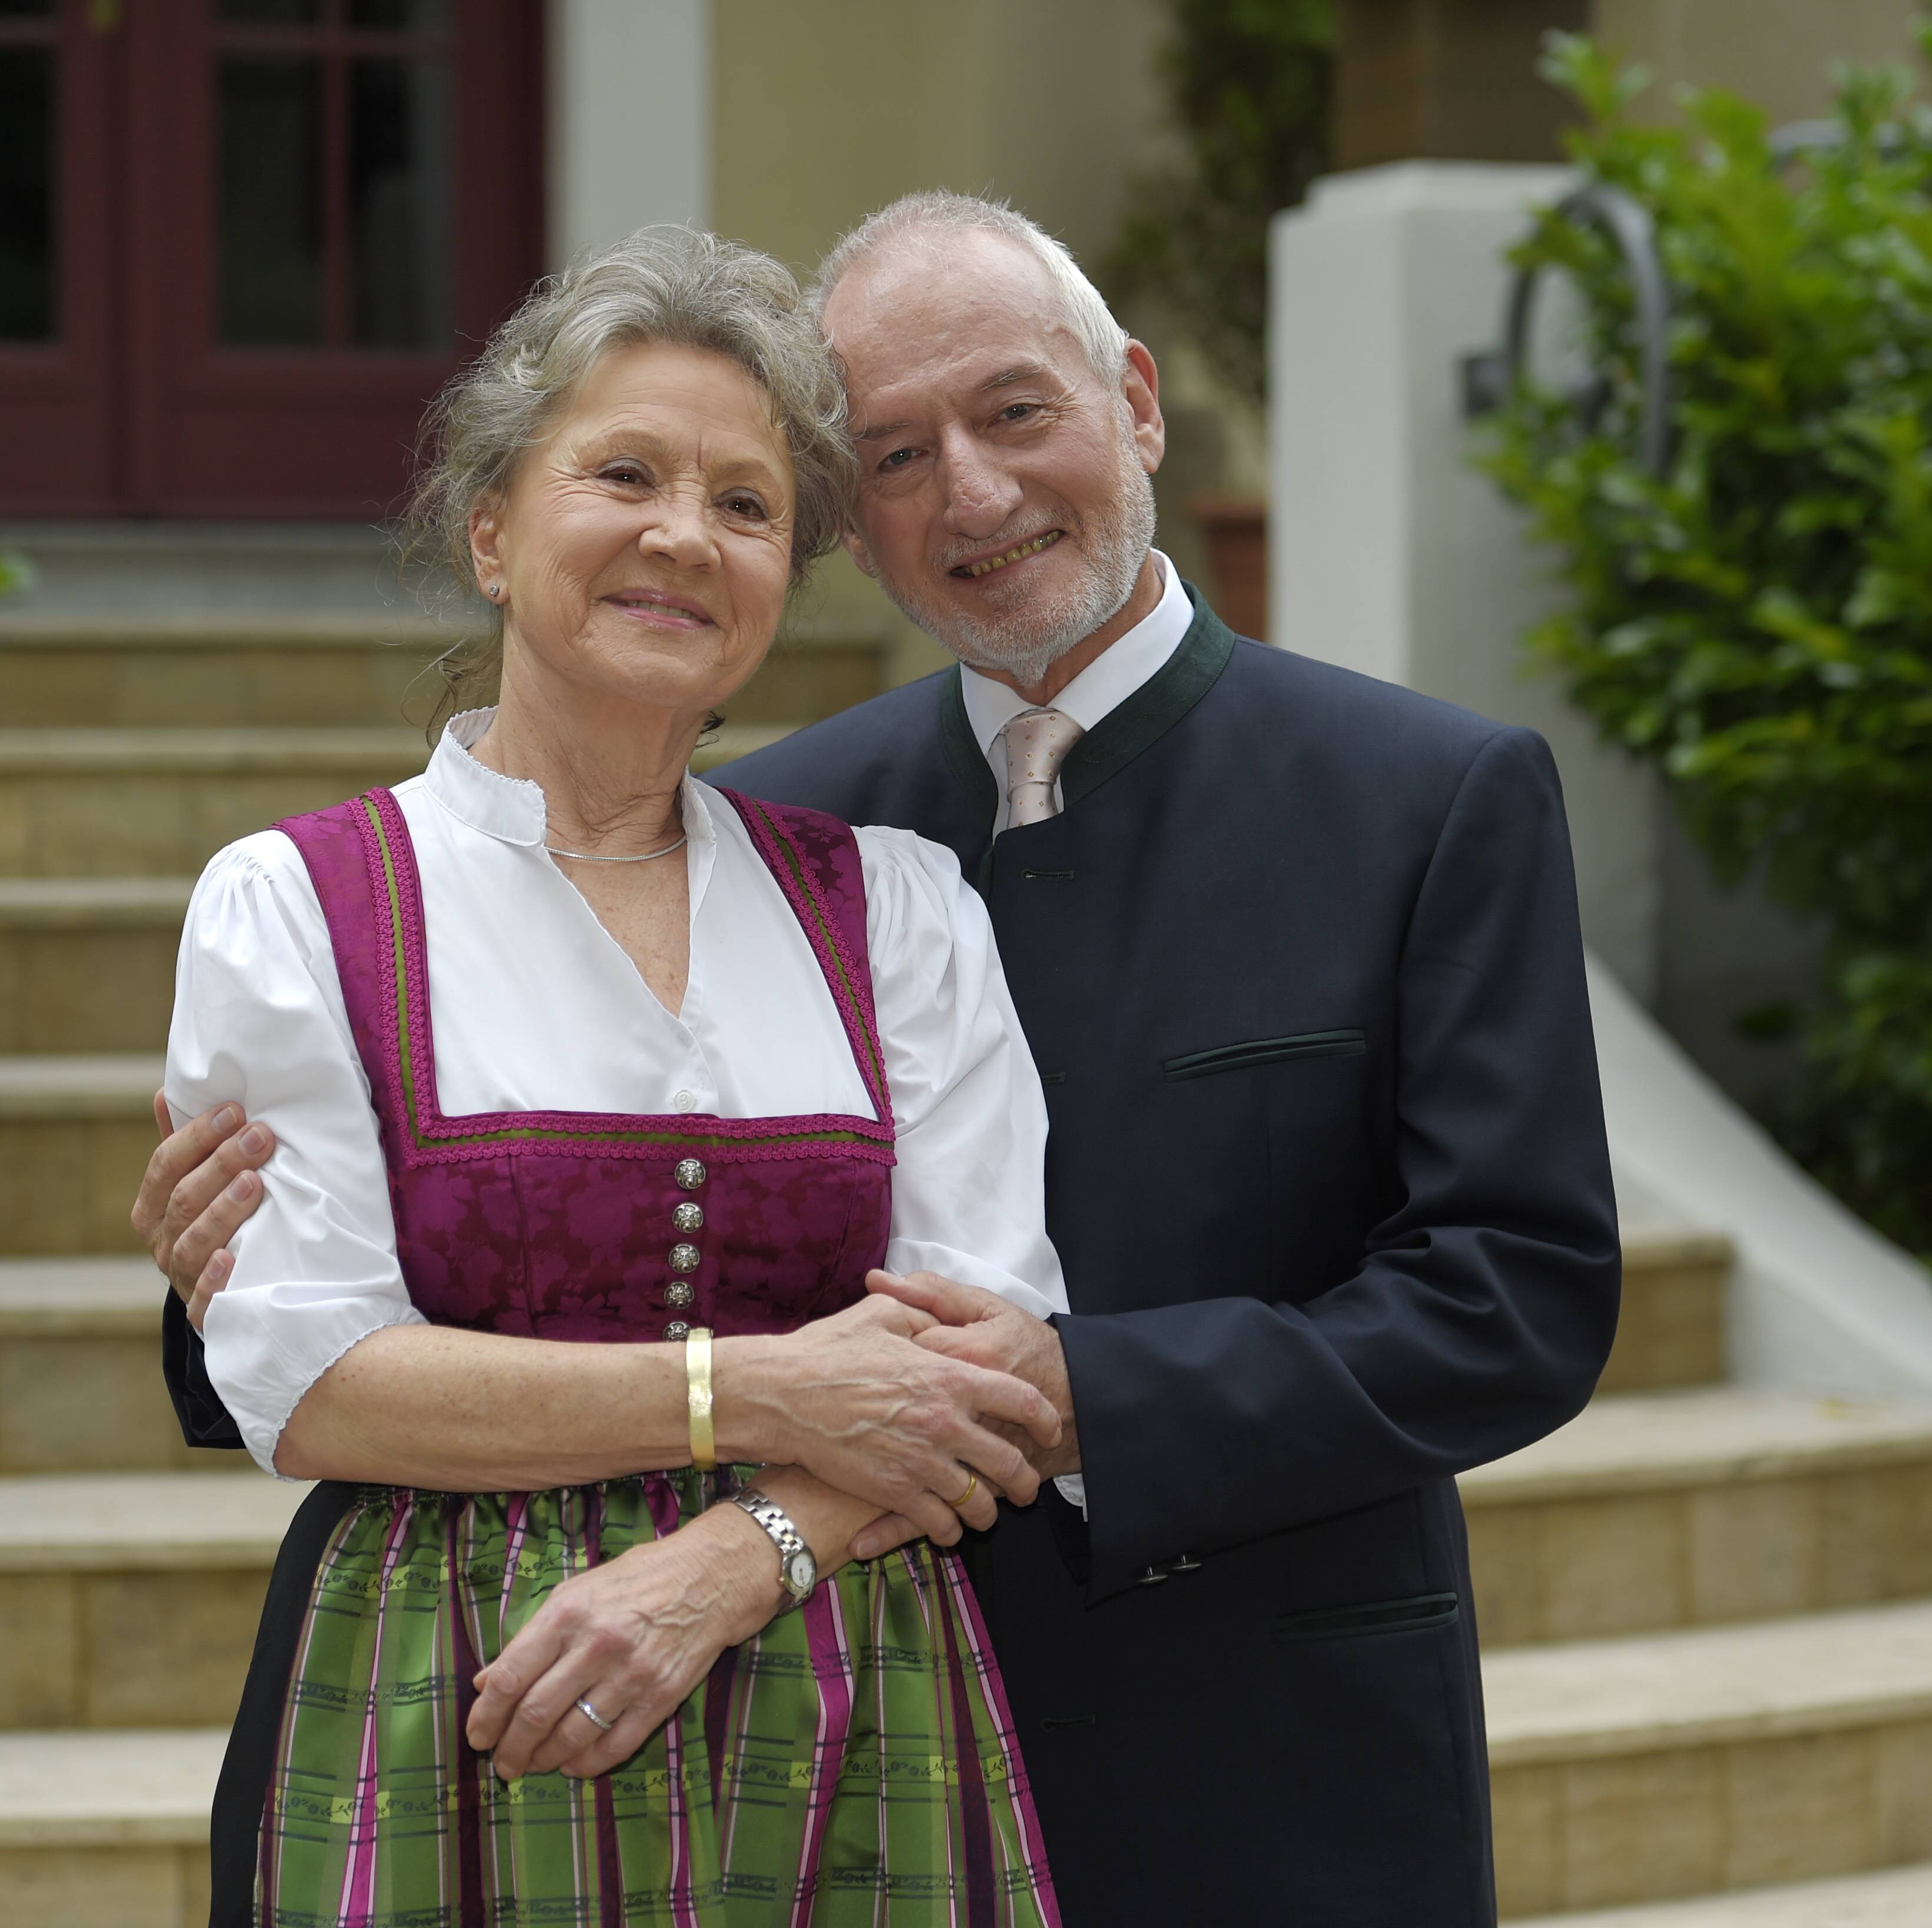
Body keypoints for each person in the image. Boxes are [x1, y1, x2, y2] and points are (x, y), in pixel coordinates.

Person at [151, 194, 1622, 1924]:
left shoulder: (1422, 798)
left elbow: (1513, 1294)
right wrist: (225, 1290)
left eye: (1018, 415)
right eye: (900, 456)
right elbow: (448, 1254)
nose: (976, 497)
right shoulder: (808, 821)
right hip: (821, 1732)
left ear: (1135, 404)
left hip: (1254, 1730)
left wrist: (1077, 1398)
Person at [155, 226, 1074, 1926]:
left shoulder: (893, 907)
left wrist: (741, 1556)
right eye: (625, 472)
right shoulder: (299, 904)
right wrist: (775, 1393)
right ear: (492, 531)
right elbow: (313, 1383)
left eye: (745, 505)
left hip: (841, 1673)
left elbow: (988, 1363)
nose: (681, 536)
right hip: (459, 1692)